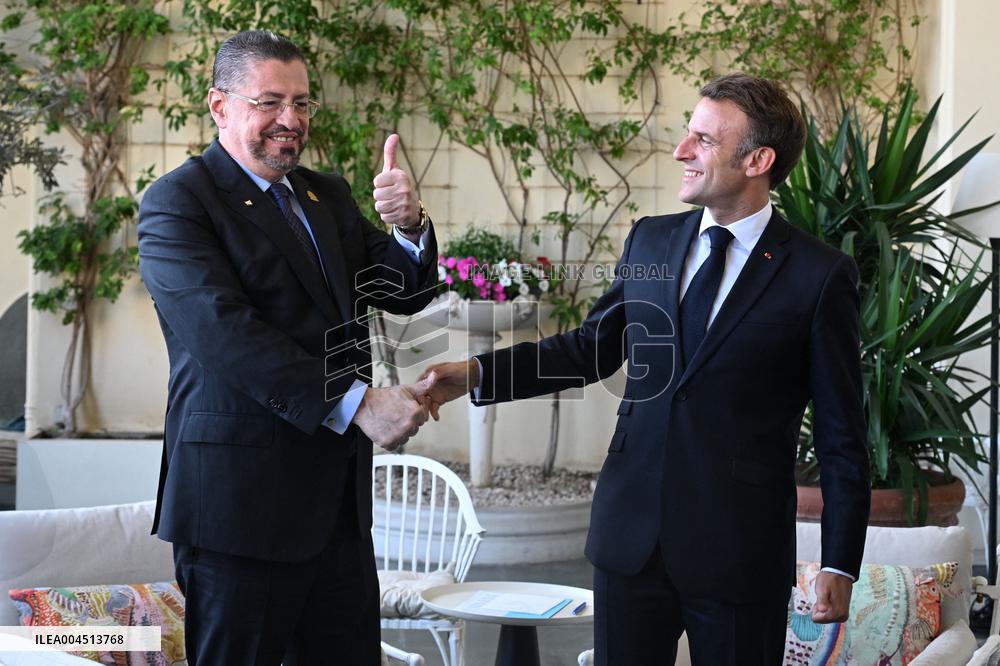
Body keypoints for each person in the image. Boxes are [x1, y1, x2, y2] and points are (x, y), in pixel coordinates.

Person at [422, 74, 871, 664]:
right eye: (688, 133)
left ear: (758, 159)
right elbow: (589, 350)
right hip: (629, 542)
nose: (682, 151)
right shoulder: (651, 242)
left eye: (704, 140)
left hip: (738, 551)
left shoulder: (819, 275)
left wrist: (839, 561)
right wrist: (475, 375)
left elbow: (843, 436)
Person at [137, 30, 439, 666]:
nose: (290, 120)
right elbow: (226, 334)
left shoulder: (324, 194)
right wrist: (359, 404)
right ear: (219, 105)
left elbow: (402, 290)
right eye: (269, 102)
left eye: (301, 104)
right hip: (238, 511)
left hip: (337, 511)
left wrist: (409, 226)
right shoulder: (177, 201)